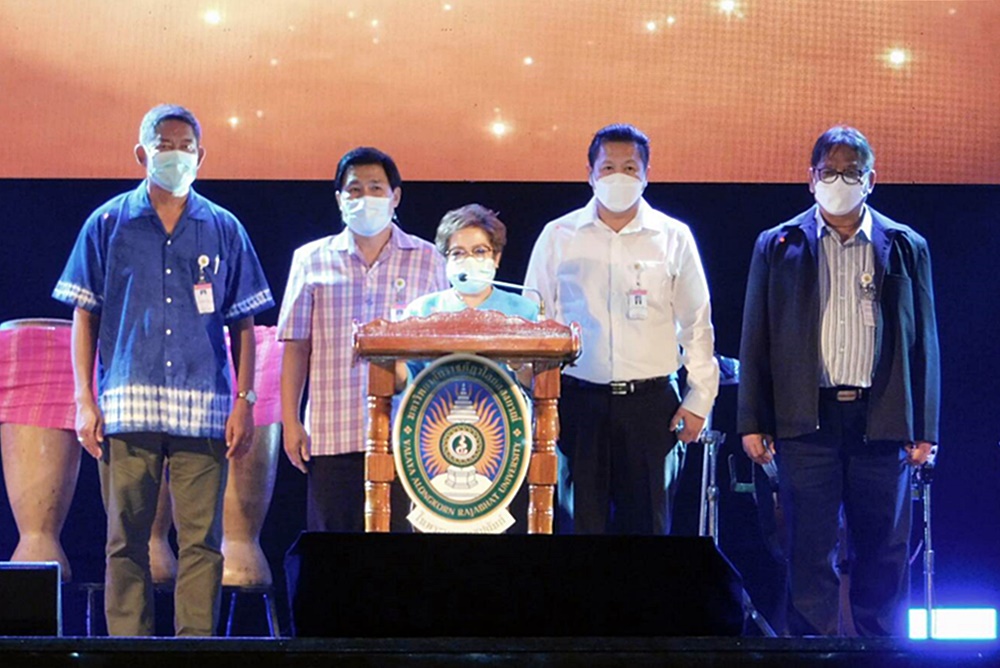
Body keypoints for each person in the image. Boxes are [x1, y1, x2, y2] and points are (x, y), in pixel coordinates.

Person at [53, 103, 274, 636]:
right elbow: (85, 315)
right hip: (127, 406)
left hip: (205, 408)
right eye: (164, 145)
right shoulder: (107, 223)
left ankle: (194, 649)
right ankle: (129, 648)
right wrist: (84, 401)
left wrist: (245, 401)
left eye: (185, 146)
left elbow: (243, 322)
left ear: (201, 155)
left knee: (203, 542)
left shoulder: (224, 227)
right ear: (141, 153)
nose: (176, 155)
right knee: (124, 541)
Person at [737, 125, 939, 636]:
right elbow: (755, 336)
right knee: (808, 553)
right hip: (806, 420)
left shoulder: (904, 244)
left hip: (883, 418)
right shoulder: (778, 244)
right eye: (829, 172)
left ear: (871, 179)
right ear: (811, 179)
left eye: (852, 172)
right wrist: (753, 419)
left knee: (884, 553)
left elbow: (925, 341)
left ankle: (884, 653)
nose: (839, 181)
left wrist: (925, 427)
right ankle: (813, 653)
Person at [523, 123, 719, 535]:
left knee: (649, 531)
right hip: (578, 404)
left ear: (646, 175)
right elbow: (534, 322)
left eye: (629, 168)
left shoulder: (673, 236)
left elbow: (696, 323)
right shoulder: (558, 236)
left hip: (651, 407)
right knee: (579, 528)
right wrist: (540, 402)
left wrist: (700, 397)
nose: (618, 177)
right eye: (608, 167)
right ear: (590, 173)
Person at [278, 146, 447, 532]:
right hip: (331, 434)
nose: (365, 197)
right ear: (340, 199)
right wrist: (291, 421)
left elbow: (441, 352)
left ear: (395, 196)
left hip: (407, 436)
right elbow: (296, 346)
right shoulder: (311, 259)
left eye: (375, 188)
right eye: (354, 190)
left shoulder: (428, 259)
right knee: (334, 552)